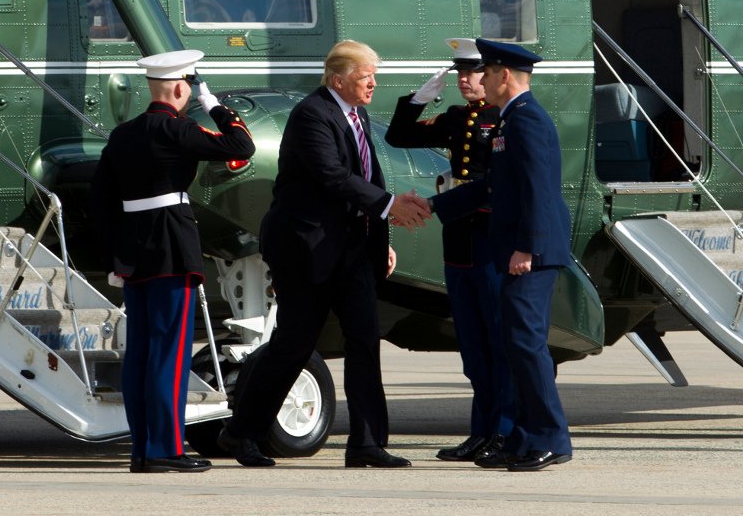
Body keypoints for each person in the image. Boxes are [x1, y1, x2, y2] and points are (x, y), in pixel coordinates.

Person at [217, 39, 430, 468]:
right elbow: (332, 177)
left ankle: (367, 444)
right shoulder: (312, 115)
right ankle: (241, 432)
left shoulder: (357, 112)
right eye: (365, 75)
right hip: (307, 249)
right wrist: (390, 205)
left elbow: (364, 172)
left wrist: (379, 237)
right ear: (338, 79)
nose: (373, 83)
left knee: (365, 341)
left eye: (374, 74)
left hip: (352, 249)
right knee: (294, 345)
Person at [91, 49, 256, 473]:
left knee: (142, 353)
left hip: (133, 253)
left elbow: (103, 202)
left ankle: (143, 450)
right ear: (182, 87)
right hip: (170, 249)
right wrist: (215, 105)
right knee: (171, 352)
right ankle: (166, 449)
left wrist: (116, 255)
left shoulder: (122, 135)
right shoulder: (176, 129)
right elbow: (242, 145)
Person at [430, 38, 573, 472]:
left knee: (527, 347)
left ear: (503, 76)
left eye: (487, 72)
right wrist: (434, 206)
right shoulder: (512, 121)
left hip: (530, 252)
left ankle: (552, 439)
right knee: (516, 346)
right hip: (518, 249)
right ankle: (524, 439)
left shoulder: (526, 120)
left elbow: (538, 190)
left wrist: (526, 246)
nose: (480, 79)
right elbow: (492, 186)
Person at [385, 38, 514, 462]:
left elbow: (495, 184)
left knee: (498, 339)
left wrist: (437, 205)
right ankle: (481, 432)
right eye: (459, 72)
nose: (464, 79)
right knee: (473, 344)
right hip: (459, 236)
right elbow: (399, 135)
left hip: (489, 232)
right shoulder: (459, 117)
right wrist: (419, 99)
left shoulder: (505, 119)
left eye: (472, 72)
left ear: (492, 74)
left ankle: (504, 432)